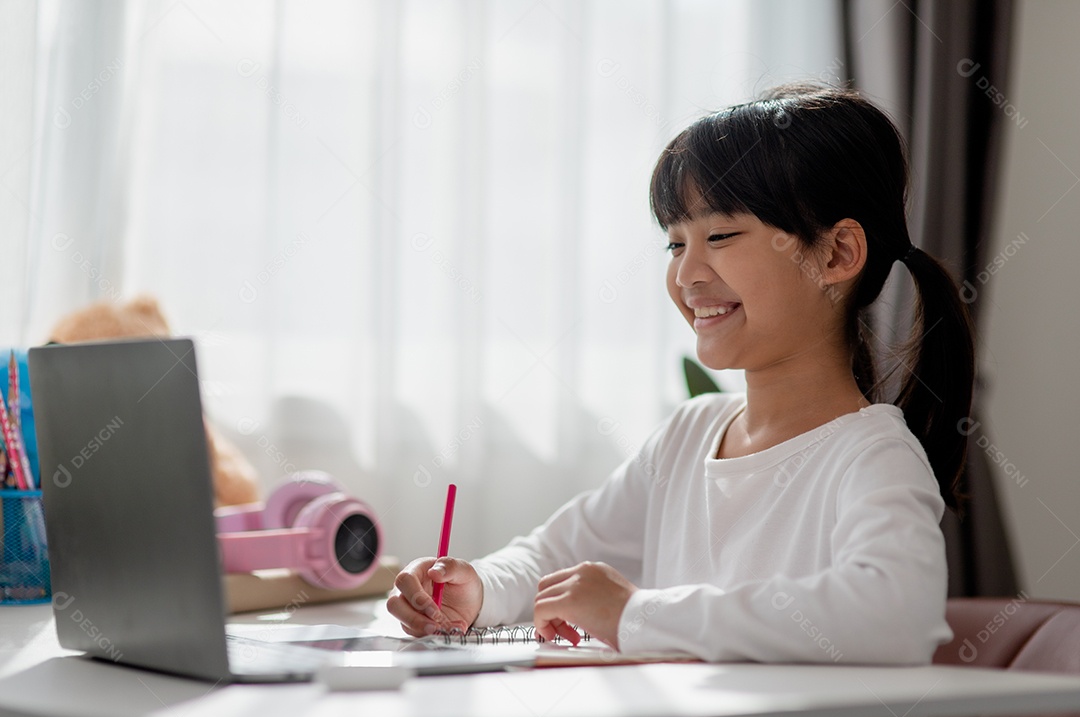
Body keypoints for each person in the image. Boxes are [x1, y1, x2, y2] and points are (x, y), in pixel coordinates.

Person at [386, 82, 974, 664]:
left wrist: (636, 613)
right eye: (674, 244)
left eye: (719, 236)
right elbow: (554, 554)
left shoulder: (870, 454)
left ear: (836, 253)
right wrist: (480, 588)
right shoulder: (689, 435)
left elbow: (895, 615)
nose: (687, 274)